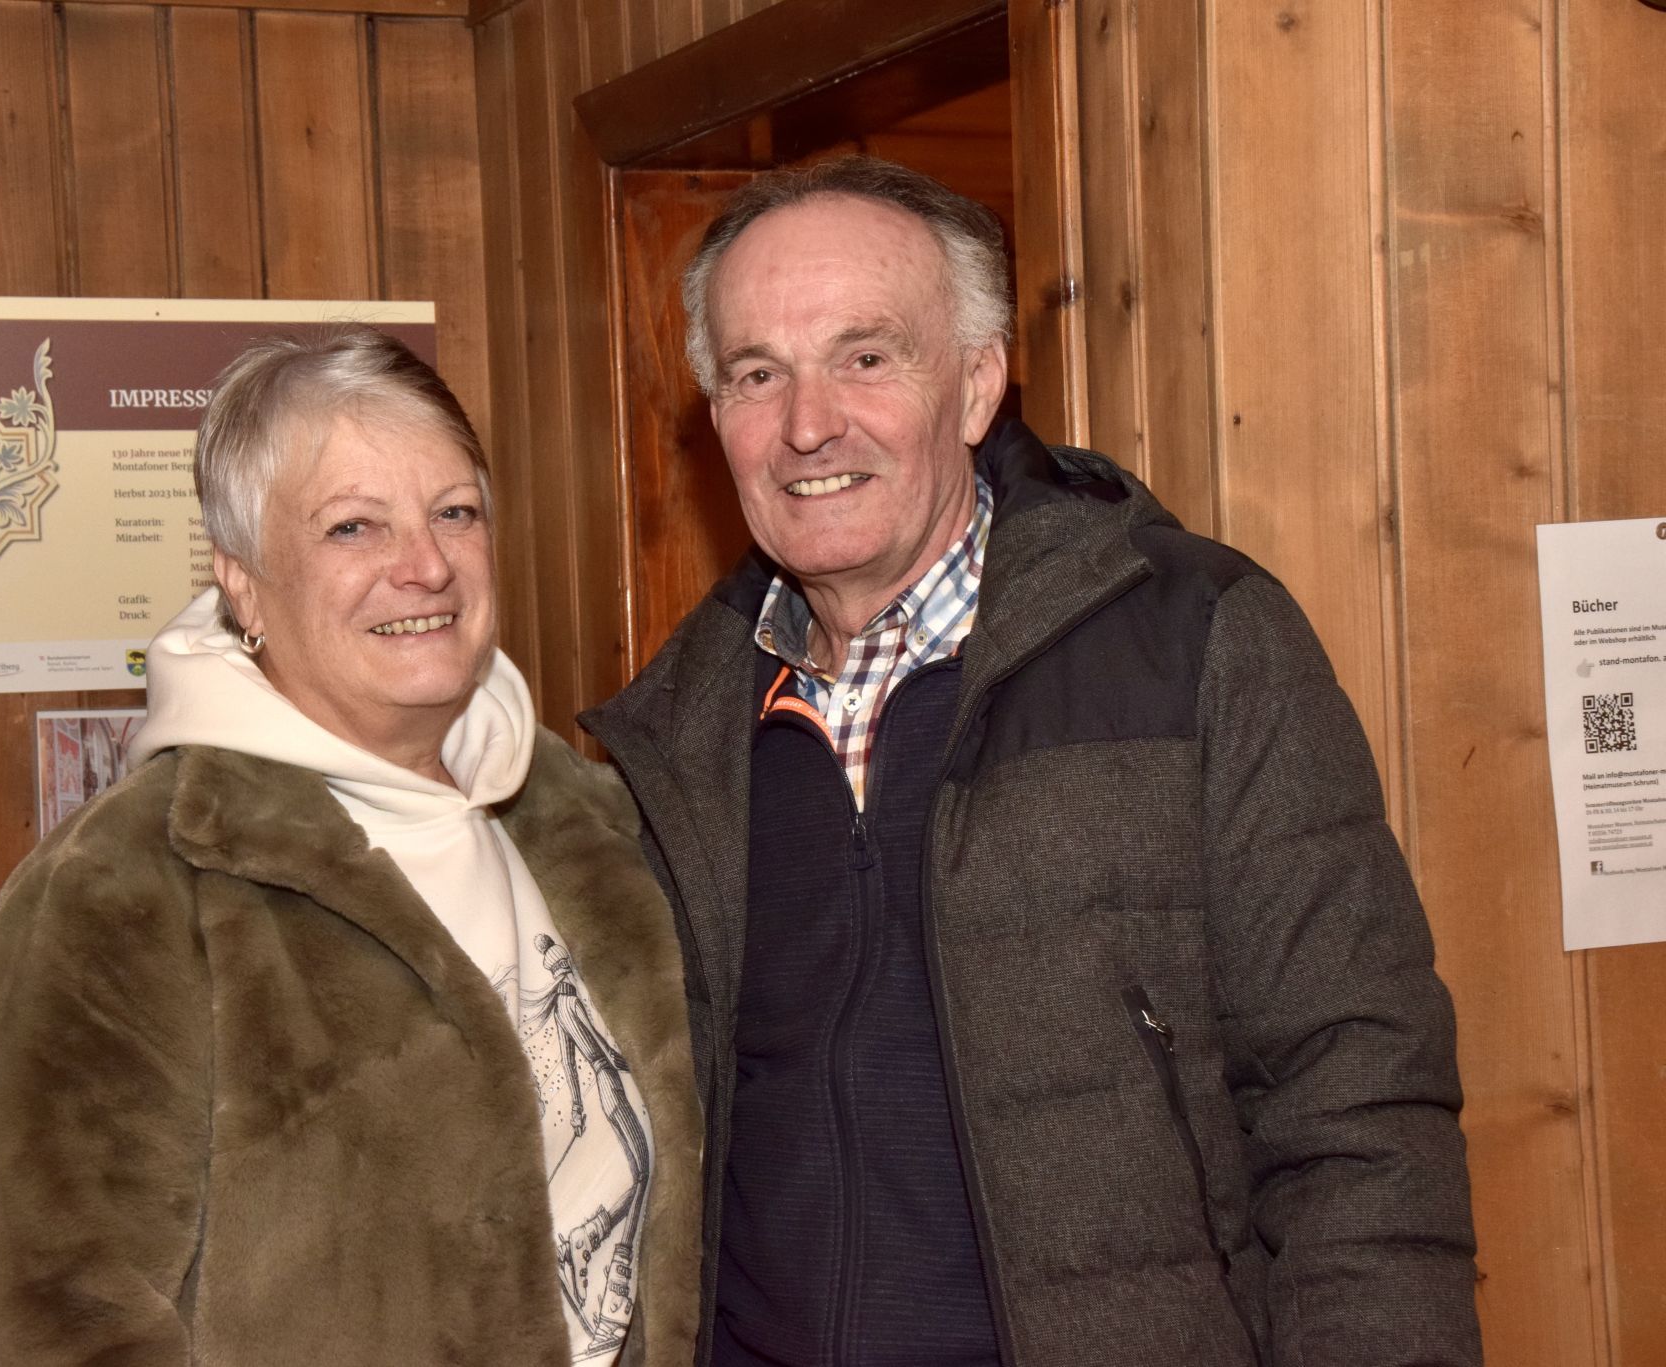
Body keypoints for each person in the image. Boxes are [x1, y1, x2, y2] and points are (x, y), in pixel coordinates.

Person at [581, 156, 1482, 1367]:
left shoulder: (1197, 640)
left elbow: (1355, 1101)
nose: (806, 423)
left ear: (974, 385)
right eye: (756, 373)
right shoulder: (670, 742)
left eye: (865, 356)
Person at [0, 329, 701, 1366]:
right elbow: (36, 1321)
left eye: (453, 512)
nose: (422, 565)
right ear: (241, 581)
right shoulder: (125, 889)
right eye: (351, 526)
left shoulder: (587, 819)